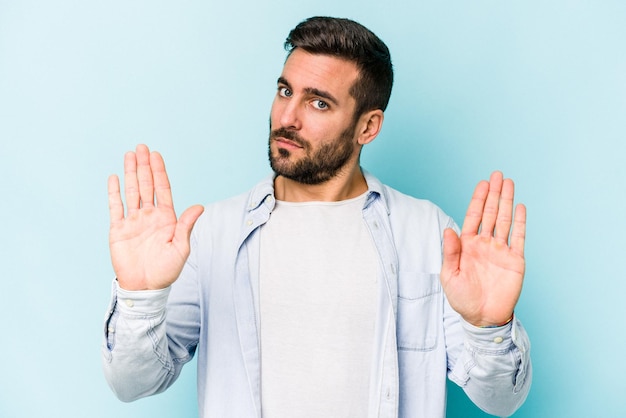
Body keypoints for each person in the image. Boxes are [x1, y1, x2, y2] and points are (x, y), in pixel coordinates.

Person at [102, 16, 531, 418]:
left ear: (368, 127)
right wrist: (140, 297)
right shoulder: (211, 233)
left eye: (319, 104)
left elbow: (500, 400)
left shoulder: (427, 232)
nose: (287, 118)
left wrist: (488, 326)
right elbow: (131, 383)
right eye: (285, 91)